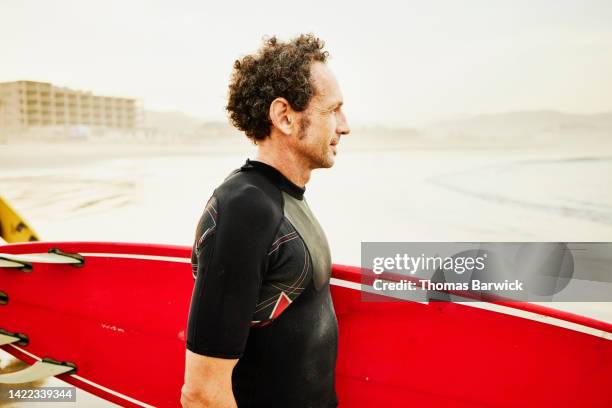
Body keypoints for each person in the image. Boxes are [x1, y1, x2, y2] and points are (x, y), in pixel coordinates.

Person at [181, 33, 350, 408]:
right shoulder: (245, 210)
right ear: (285, 117)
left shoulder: (285, 200)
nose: (344, 125)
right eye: (332, 110)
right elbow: (202, 393)